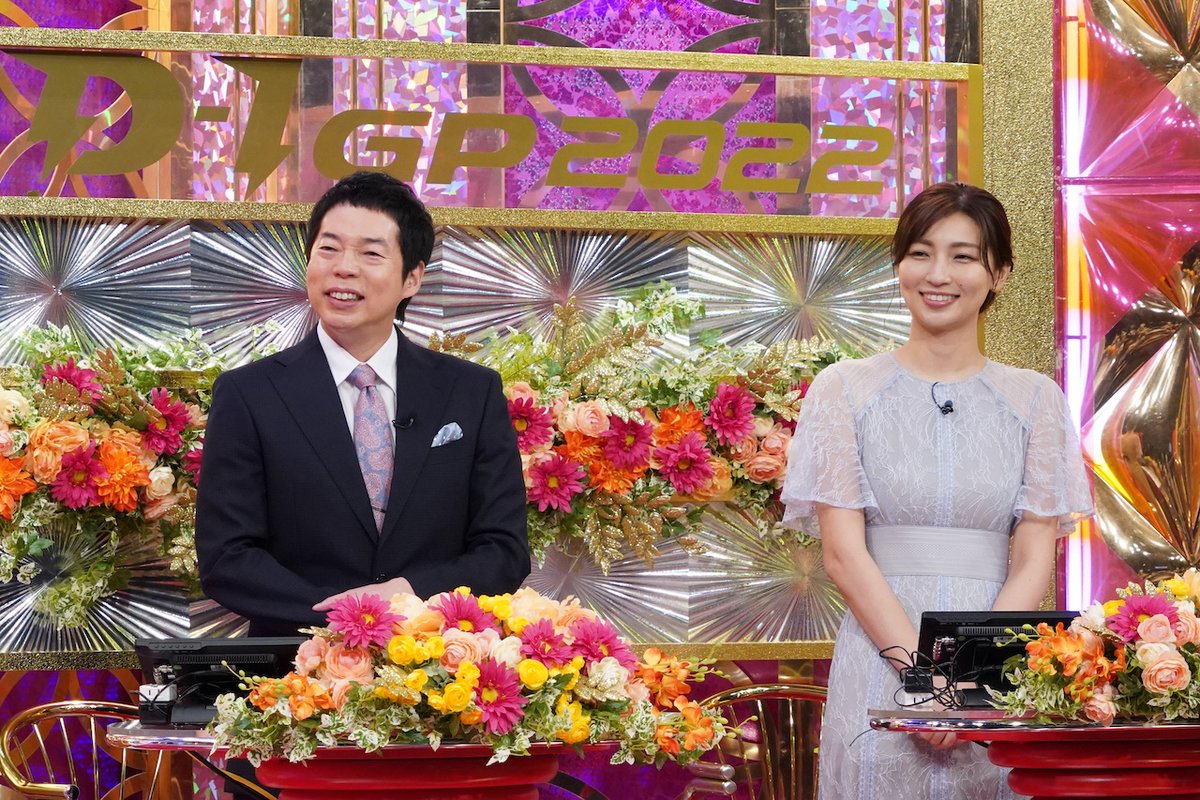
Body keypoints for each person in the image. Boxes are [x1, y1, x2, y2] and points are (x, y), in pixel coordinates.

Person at [780, 182, 1093, 799]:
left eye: (963, 256)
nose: (938, 274)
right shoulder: (843, 389)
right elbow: (842, 554)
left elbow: (1034, 559)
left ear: (998, 273)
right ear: (899, 265)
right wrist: (924, 679)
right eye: (920, 253)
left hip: (993, 668)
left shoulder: (1036, 399)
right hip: (879, 654)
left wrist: (968, 683)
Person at [196, 170, 530, 637]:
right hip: (294, 661)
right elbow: (226, 558)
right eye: (328, 249)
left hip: (439, 660)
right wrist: (346, 616)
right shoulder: (248, 394)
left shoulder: (471, 391)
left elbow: (504, 550)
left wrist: (410, 596)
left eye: (371, 253)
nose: (344, 268)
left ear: (412, 278)